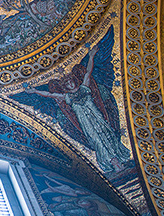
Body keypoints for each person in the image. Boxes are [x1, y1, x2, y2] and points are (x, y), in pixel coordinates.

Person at [24, 44, 131, 173]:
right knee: (97, 141)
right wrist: (34, 91)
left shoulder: (84, 88)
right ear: (65, 86)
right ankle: (113, 163)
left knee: (108, 134)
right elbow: (50, 94)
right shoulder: (67, 97)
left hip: (98, 117)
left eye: (71, 81)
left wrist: (91, 56)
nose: (70, 84)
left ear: (74, 80)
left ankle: (120, 159)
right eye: (67, 84)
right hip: (87, 124)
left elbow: (88, 72)